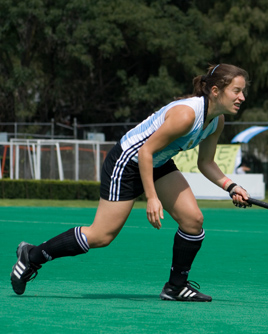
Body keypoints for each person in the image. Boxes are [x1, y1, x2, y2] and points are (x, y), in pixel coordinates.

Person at [10, 64, 251, 302]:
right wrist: (152, 198)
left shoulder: (216, 121)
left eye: (243, 92)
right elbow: (145, 152)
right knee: (101, 236)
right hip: (128, 162)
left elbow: (206, 162)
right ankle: (31, 255)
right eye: (237, 91)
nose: (242, 97)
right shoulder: (187, 115)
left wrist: (231, 186)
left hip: (158, 162)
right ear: (216, 91)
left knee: (193, 220)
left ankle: (175, 287)